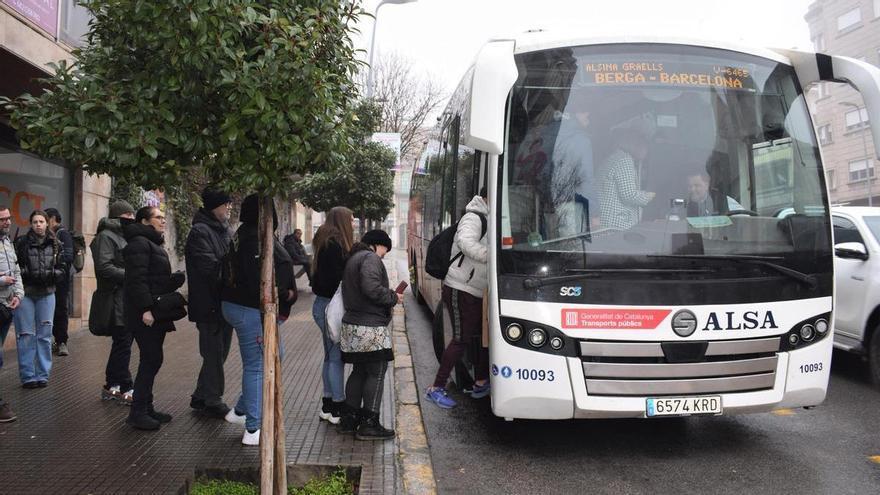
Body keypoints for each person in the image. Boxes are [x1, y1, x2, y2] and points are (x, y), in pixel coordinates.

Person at [221, 194, 296, 445]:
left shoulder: (243, 233)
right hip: (250, 309)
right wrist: (282, 293)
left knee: (275, 356)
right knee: (258, 364)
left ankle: (240, 411)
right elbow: (258, 281)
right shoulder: (254, 240)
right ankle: (253, 428)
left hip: (240, 306)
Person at [425, 188, 490, 409]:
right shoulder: (474, 216)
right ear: (487, 196)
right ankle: (436, 388)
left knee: (485, 336)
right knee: (460, 338)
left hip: (479, 289)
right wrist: (493, 256)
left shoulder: (492, 217)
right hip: (460, 287)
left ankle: (481, 381)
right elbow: (465, 242)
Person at [123, 206, 185, 430]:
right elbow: (136, 281)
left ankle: (146, 408)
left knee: (152, 359)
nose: (163, 221)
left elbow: (152, 279)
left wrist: (172, 281)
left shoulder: (151, 243)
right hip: (145, 314)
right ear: (144, 221)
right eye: (158, 217)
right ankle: (137, 412)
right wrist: (146, 309)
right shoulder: (139, 244)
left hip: (154, 312)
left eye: (162, 217)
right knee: (151, 359)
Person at [336, 230, 401, 440]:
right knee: (377, 370)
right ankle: (369, 424)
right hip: (369, 326)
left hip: (353, 325)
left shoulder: (354, 258)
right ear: (376, 245)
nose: (384, 255)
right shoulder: (370, 258)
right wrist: (392, 296)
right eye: (385, 250)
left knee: (359, 371)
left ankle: (349, 420)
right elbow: (371, 288)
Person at [186, 188, 234, 419]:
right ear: (214, 206)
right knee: (214, 353)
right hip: (208, 304)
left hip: (223, 302)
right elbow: (209, 267)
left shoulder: (223, 230)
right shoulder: (200, 232)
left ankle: (201, 395)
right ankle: (213, 399)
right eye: (226, 204)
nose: (229, 208)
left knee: (219, 353)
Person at [310, 206, 354, 424]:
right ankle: (337, 407)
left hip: (322, 305)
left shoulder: (323, 241)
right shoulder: (335, 246)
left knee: (329, 357)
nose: (353, 223)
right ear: (342, 221)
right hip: (332, 308)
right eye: (351, 219)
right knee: (336, 358)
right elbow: (335, 280)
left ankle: (328, 405)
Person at [91, 200, 137, 405]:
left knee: (122, 343)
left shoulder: (122, 236)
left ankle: (112, 385)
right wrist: (131, 276)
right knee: (123, 342)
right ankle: (125, 385)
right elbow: (104, 267)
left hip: (123, 297)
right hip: (115, 298)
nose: (131, 220)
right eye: (128, 217)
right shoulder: (106, 237)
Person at [13, 210, 64, 388]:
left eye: (41, 221)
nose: (38, 225)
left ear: (47, 223)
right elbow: (16, 266)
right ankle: (28, 376)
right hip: (26, 293)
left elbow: (64, 268)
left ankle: (43, 374)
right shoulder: (22, 243)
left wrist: (51, 275)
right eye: (35, 222)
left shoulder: (56, 243)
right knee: (26, 334)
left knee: (44, 335)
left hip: (47, 293)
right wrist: (27, 274)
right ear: (31, 224)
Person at [598, 129, 656, 230]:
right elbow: (628, 194)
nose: (647, 151)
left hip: (607, 219)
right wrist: (649, 196)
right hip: (617, 223)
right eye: (646, 146)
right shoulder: (624, 160)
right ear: (637, 145)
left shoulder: (614, 157)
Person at [0, 206, 23, 421]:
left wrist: (18, 294)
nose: (7, 223)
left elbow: (15, 271)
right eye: (2, 220)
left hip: (6, 306)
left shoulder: (7, 242)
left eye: (8, 218)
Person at [44, 208, 74, 357]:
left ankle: (61, 341)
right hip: (49, 278)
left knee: (60, 309)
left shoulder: (63, 234)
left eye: (45, 219)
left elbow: (68, 256)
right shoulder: (47, 235)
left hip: (61, 280)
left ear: (52, 218)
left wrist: (53, 262)